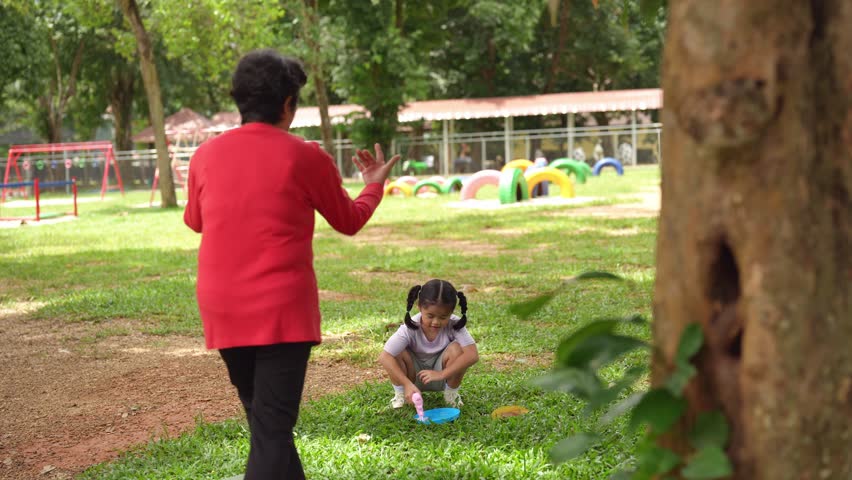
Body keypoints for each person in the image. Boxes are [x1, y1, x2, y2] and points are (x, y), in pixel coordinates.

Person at [183, 49, 399, 480]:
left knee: (268, 427)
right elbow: (349, 220)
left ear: (239, 99)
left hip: (223, 307)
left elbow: (195, 221)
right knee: (270, 430)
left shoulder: (204, 155)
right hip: (281, 311)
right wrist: (373, 185)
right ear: (288, 104)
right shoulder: (305, 156)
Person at [378, 279, 479, 410]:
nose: (436, 322)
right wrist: (406, 384)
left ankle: (451, 395)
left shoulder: (455, 324)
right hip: (411, 375)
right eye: (430, 316)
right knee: (396, 351)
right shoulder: (410, 327)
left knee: (458, 349)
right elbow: (384, 357)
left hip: (442, 374)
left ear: (452, 312)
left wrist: (442, 374)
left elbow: (472, 355)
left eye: (443, 317)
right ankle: (401, 395)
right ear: (419, 307)